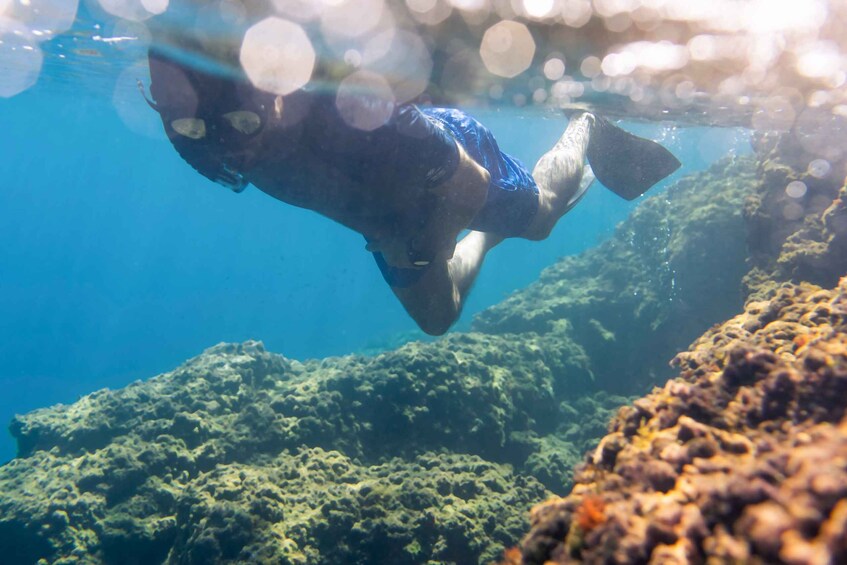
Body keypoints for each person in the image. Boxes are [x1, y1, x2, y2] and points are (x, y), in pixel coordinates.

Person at [144, 49, 680, 335]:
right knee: (437, 319)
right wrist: (395, 234)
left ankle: (584, 123)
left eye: (241, 123)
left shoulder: (359, 114)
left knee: (538, 220)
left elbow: (469, 181)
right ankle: (479, 234)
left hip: (449, 167)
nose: (226, 147)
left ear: (272, 90)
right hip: (387, 220)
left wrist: (428, 243)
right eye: (188, 128)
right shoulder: (210, 131)